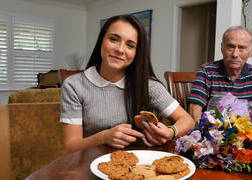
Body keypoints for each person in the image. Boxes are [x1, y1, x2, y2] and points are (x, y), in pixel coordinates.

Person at [60, 15, 195, 153]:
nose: (120, 49)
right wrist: (103, 137)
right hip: (90, 163)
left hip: (137, 165)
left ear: (137, 53)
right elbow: (71, 146)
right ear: (101, 41)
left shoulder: (149, 86)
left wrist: (170, 132)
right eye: (113, 39)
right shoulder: (74, 85)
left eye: (130, 45)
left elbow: (188, 120)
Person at [188, 26, 252, 122]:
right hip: (212, 132)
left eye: (241, 48)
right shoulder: (206, 72)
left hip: (247, 132)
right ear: (222, 47)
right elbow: (194, 110)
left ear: (250, 51)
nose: (235, 54)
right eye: (230, 47)